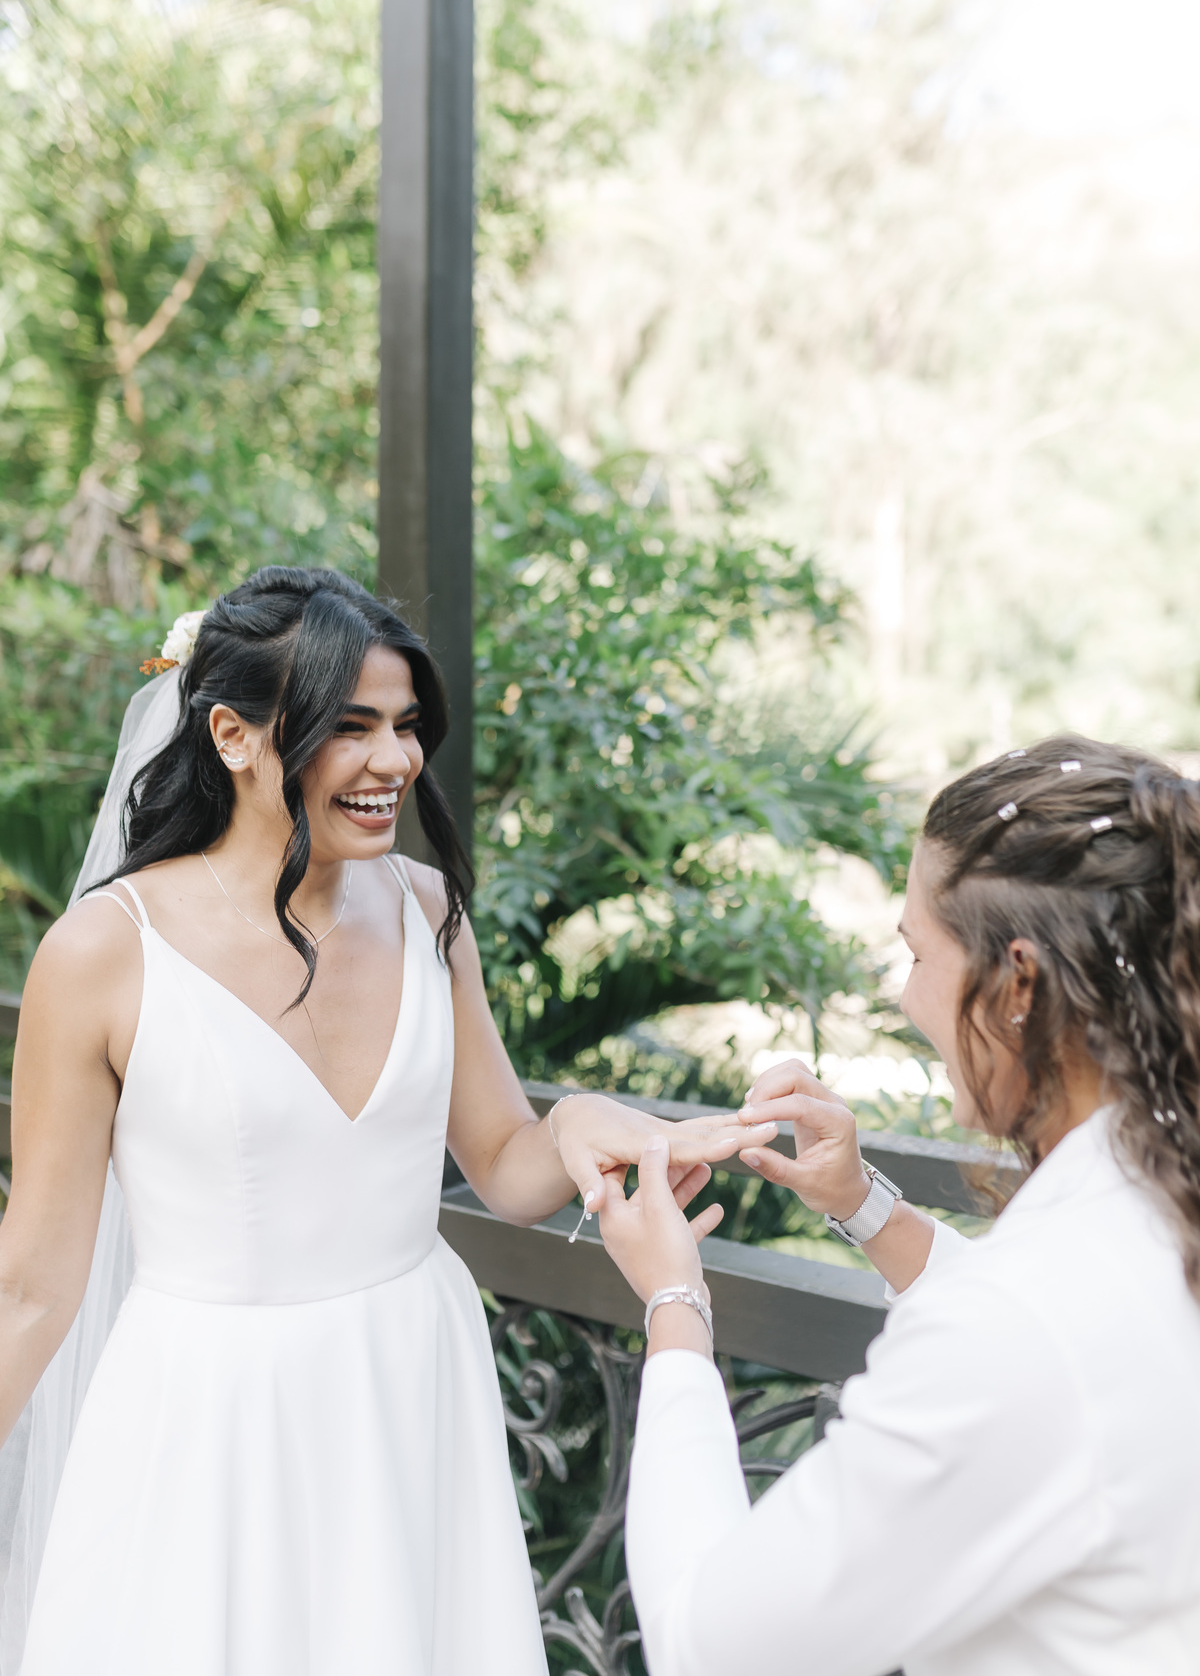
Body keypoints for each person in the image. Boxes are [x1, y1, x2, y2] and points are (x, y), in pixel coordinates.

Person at [0, 566, 774, 1676]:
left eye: (406, 726)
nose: (395, 761)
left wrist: (584, 1124)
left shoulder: (425, 907)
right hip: (214, 1420)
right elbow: (30, 1290)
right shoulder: (103, 953)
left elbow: (503, 1162)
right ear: (232, 736)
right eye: (349, 727)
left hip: (412, 1382)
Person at [600, 734, 1200, 1676]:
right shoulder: (1160, 1182)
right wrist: (862, 1205)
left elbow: (706, 1645)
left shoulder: (1021, 1323)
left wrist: (674, 1305)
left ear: (1018, 985)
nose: (905, 995)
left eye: (917, 953)